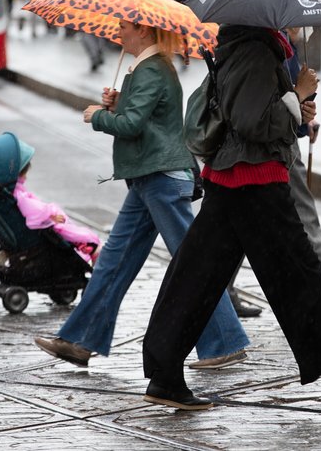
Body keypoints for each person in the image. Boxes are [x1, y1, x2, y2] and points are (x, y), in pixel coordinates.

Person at [140, 25, 321, 410]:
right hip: (253, 180)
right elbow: (251, 122)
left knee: (196, 277)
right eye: (295, 21)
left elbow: (251, 112)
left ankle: (165, 374)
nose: (300, 26)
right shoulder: (255, 52)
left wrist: (298, 113)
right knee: (300, 274)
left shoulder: (250, 46)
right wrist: (296, 95)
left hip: (233, 178)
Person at [34, 19, 249, 370]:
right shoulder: (150, 68)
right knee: (114, 261)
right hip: (148, 178)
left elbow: (133, 126)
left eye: (124, 27)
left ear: (145, 31)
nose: (119, 33)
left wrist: (99, 116)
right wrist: (119, 104)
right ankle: (80, 340)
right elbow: (151, 120)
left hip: (161, 179)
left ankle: (226, 341)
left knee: (191, 263)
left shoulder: (151, 69)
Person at [226, 27, 321, 317]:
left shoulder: (275, 47)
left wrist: (303, 121)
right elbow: (268, 108)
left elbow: (282, 105)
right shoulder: (270, 49)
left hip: (264, 150)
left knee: (238, 224)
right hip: (273, 152)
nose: (306, 31)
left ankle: (221, 293)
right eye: (300, 26)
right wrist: (300, 93)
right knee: (301, 216)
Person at [14, 151, 101, 266]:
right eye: (24, 174)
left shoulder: (12, 192)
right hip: (46, 227)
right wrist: (50, 214)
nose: (25, 177)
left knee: (72, 230)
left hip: (42, 226)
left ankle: (90, 248)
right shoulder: (18, 194)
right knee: (74, 233)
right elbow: (33, 209)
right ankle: (92, 249)